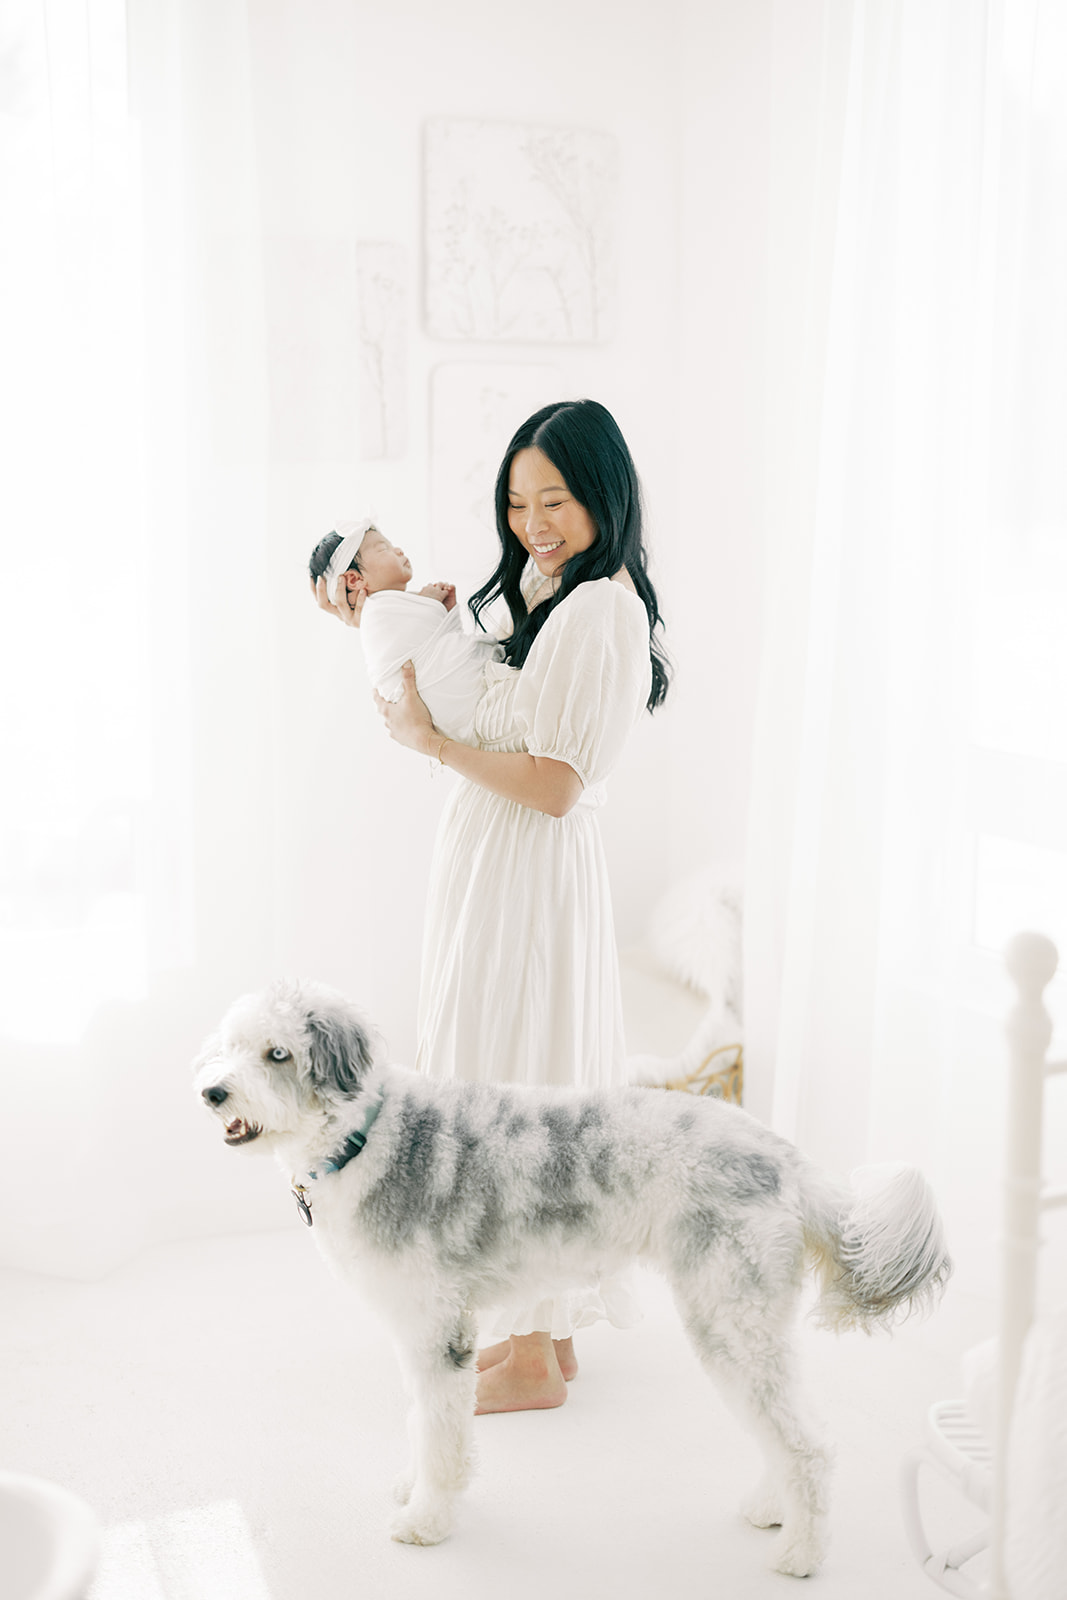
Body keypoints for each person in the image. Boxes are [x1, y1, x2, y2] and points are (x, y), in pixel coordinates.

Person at [314, 399, 669, 1412]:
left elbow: (555, 783)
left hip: (529, 859)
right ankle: (540, 1339)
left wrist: (429, 744)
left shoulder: (599, 607)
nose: (532, 524)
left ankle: (522, 1351)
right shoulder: (556, 589)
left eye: (553, 499)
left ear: (602, 492)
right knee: (519, 1072)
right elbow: (486, 693)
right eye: (516, 503)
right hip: (505, 856)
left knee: (512, 1083)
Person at [308, 518, 502, 744]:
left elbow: (432, 644)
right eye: (383, 548)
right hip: (452, 706)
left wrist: (441, 611)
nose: (398, 550)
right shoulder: (377, 613)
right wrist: (429, 602)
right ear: (354, 579)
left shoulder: (388, 610)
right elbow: (414, 644)